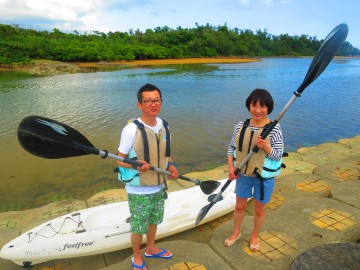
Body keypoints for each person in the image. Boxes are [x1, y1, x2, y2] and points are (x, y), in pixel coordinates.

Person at [117, 83, 178, 270]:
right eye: (148, 101)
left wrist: (172, 165)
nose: (153, 104)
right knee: (138, 226)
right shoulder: (130, 130)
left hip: (159, 186)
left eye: (157, 100)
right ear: (139, 104)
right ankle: (136, 256)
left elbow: (166, 154)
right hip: (139, 190)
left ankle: (150, 248)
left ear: (161, 102)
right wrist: (136, 167)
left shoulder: (164, 126)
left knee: (154, 221)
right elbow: (119, 160)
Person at [224, 88, 284, 252]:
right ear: (249, 106)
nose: (258, 110)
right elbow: (231, 148)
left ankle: (254, 236)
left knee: (259, 208)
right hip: (243, 174)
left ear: (268, 108)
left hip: (263, 177)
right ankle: (236, 233)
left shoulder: (274, 129)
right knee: (239, 207)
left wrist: (266, 147)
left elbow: (278, 156)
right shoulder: (240, 126)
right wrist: (230, 168)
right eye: (254, 105)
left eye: (262, 106)